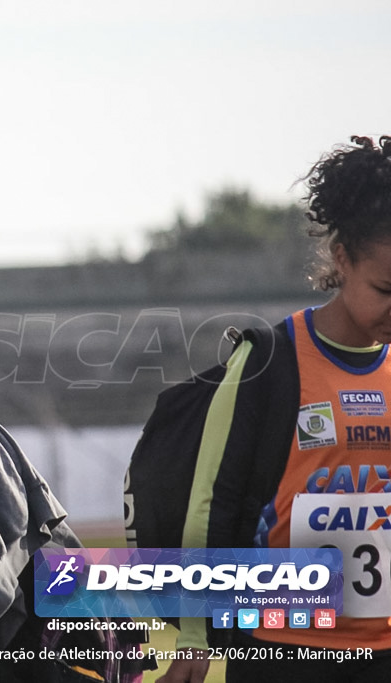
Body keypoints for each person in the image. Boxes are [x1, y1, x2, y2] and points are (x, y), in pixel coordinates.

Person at [160, 135, 391, 682]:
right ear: (341, 258)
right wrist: (194, 636)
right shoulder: (271, 359)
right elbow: (210, 501)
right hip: (280, 646)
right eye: (385, 288)